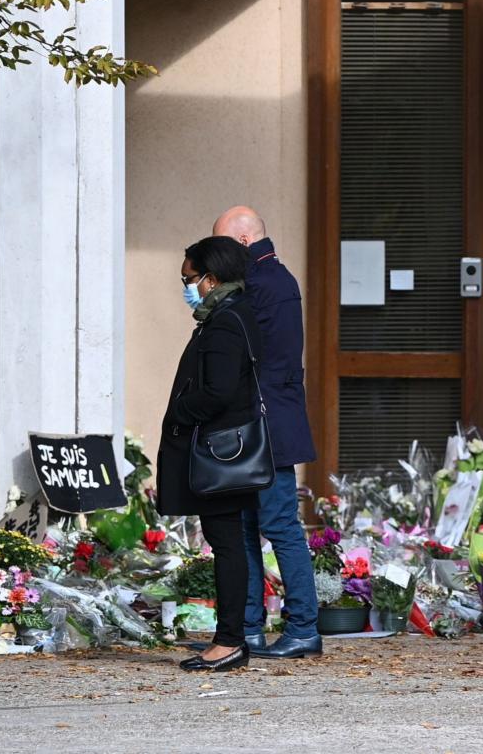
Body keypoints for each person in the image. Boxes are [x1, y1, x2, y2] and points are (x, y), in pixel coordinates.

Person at [207, 205, 321, 659]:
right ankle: (248, 628)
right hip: (266, 421)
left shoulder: (261, 285)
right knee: (249, 526)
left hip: (264, 424)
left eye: (221, 247)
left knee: (277, 525)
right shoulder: (272, 280)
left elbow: (249, 358)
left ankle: (301, 627)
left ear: (243, 242)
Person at [157, 236, 262, 673]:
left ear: (211, 279)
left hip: (218, 453)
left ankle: (229, 640)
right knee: (230, 542)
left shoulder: (223, 322)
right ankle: (232, 637)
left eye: (189, 279)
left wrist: (178, 410)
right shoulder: (233, 314)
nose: (186, 288)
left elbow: (217, 391)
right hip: (225, 450)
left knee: (226, 544)